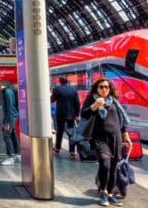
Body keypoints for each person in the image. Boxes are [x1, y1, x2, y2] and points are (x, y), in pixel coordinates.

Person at [80, 78, 131, 207]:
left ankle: (110, 194)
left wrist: (125, 134)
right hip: (99, 137)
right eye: (101, 87)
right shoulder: (92, 99)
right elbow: (83, 114)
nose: (104, 89)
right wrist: (94, 106)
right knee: (105, 163)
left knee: (113, 166)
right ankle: (103, 191)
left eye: (106, 87)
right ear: (96, 88)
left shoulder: (114, 100)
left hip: (115, 137)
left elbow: (120, 118)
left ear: (110, 88)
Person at [0, 78, 20, 165]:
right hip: (9, 117)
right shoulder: (5, 92)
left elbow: (10, 109)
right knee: (12, 134)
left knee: (6, 135)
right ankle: (18, 154)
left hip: (11, 117)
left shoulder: (6, 92)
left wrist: (7, 123)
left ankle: (10, 157)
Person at [50, 76, 81, 155]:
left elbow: (52, 100)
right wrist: (77, 114)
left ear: (60, 82)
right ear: (67, 81)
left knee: (59, 131)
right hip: (71, 114)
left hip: (60, 113)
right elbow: (77, 103)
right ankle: (72, 150)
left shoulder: (56, 89)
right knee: (71, 131)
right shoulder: (73, 89)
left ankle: (57, 148)